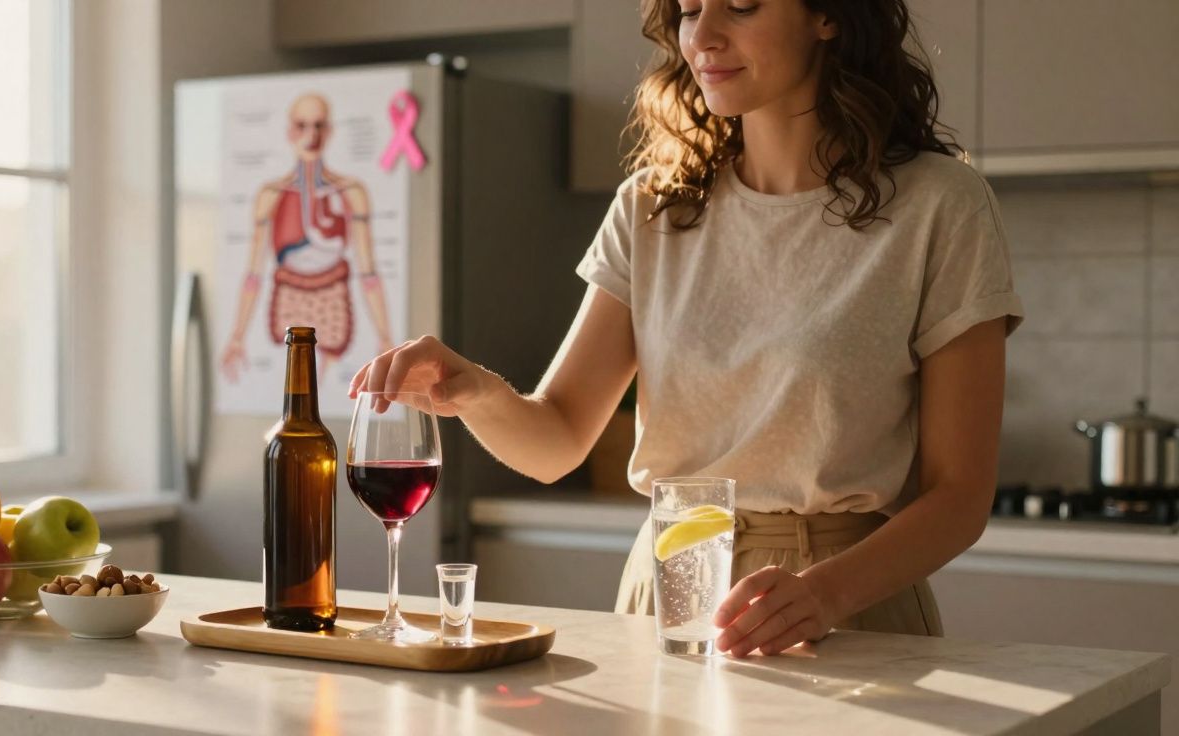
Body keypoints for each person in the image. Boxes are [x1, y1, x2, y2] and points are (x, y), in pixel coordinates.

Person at [349, 0, 1023, 658]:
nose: (704, 36)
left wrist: (825, 595)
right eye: (690, 10)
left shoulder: (942, 205)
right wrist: (478, 393)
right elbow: (556, 439)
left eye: (741, 7)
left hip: (850, 612)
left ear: (829, 15)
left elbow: (959, 494)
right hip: (668, 598)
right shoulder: (651, 207)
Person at [222, 93, 394, 384]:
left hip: (333, 301)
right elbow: (253, 273)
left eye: (318, 126)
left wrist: (386, 338)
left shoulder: (352, 192)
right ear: (290, 132)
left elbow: (369, 272)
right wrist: (237, 337)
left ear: (329, 131)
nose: (310, 135)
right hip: (289, 299)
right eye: (301, 126)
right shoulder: (270, 195)